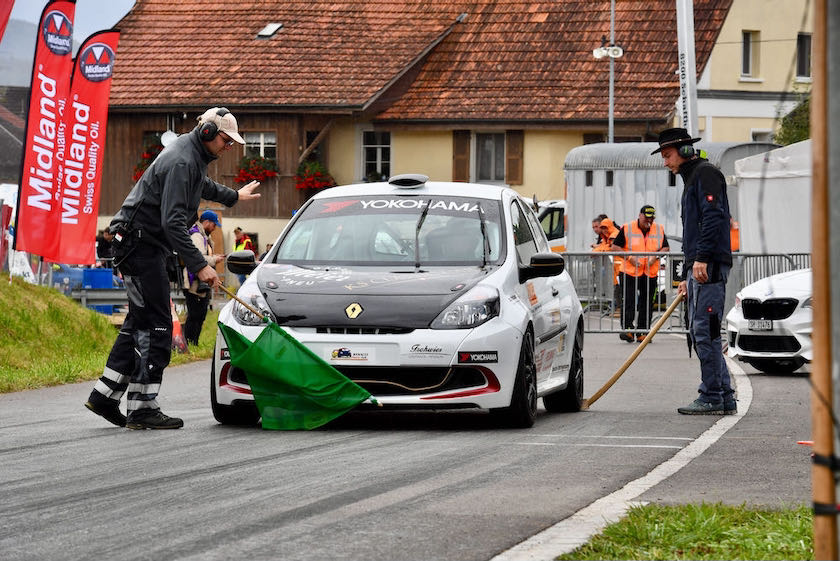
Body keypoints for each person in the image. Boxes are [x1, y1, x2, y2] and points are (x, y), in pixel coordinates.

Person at [84, 107, 261, 430]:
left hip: (141, 244)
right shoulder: (182, 160)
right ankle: (142, 407)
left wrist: (234, 196)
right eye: (226, 140)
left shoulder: (190, 156)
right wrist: (199, 265)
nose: (228, 147)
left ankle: (105, 396)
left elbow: (202, 187)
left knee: (140, 321)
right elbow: (172, 221)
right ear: (207, 132)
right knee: (158, 325)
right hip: (141, 246)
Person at [653, 127, 735, 415]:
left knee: (706, 331)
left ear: (685, 151)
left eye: (668, 155)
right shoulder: (694, 179)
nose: (665, 162)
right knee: (701, 330)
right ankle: (723, 395)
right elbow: (693, 230)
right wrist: (687, 274)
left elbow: (714, 218)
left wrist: (700, 260)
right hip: (699, 268)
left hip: (708, 267)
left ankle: (712, 395)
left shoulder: (705, 175)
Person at [611, 205, 669, 342]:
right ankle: (628, 330)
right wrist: (630, 257)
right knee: (629, 301)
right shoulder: (627, 227)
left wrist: (655, 256)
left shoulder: (658, 229)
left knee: (647, 302)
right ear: (640, 215)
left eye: (652, 218)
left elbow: (665, 247)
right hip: (629, 271)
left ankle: (643, 331)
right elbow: (615, 247)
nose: (649, 221)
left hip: (650, 271)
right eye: (647, 218)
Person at [182, 209, 225, 346]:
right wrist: (214, 259)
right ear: (206, 222)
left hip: (200, 281)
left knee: (200, 315)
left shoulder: (203, 235)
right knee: (195, 315)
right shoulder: (197, 236)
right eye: (213, 224)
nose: (214, 228)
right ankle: (190, 343)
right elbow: (198, 258)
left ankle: (194, 342)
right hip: (194, 282)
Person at [593, 217, 623, 317]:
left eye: (605, 228)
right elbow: (604, 246)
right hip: (614, 266)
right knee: (615, 288)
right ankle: (618, 308)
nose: (604, 230)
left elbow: (611, 248)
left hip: (620, 265)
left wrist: (598, 250)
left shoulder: (614, 235)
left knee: (619, 288)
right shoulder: (607, 236)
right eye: (603, 228)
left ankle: (620, 309)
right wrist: (598, 250)